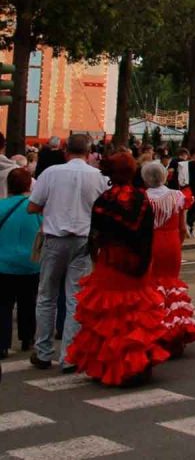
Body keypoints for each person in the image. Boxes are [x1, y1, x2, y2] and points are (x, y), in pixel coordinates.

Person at [67, 151, 168, 386]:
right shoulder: (142, 200)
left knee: (109, 316)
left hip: (110, 263)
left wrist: (96, 260)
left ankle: (107, 365)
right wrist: (144, 261)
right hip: (136, 263)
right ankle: (137, 364)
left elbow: (94, 236)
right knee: (135, 315)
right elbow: (147, 235)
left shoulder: (103, 200)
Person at [26, 133, 107, 370]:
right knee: (75, 298)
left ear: (65, 151)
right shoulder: (99, 177)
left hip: (54, 239)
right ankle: (69, 355)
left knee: (46, 296)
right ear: (90, 152)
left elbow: (33, 206)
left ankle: (42, 352)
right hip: (83, 240)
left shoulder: (50, 174)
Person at [141, 161, 195, 357]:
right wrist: (178, 243)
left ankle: (154, 331)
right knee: (172, 287)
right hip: (172, 242)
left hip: (150, 244)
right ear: (165, 176)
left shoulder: (143, 199)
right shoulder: (177, 197)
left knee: (151, 287)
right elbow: (183, 227)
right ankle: (175, 333)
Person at [0, 168, 40, 359]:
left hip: (3, 263)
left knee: (3, 304)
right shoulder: (35, 208)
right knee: (28, 301)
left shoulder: (1, 206)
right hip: (31, 263)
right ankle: (27, 338)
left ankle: (2, 343)